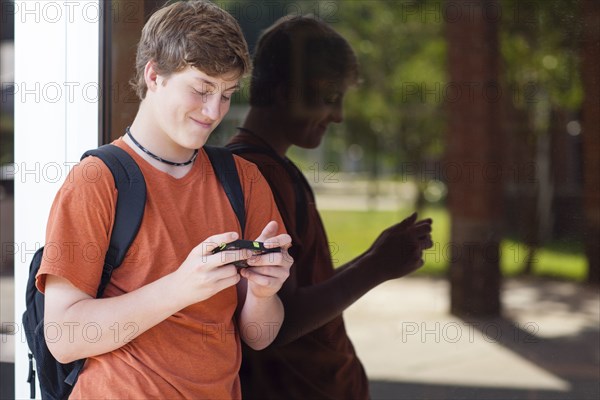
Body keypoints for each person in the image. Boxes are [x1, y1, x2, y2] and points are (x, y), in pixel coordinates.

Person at [36, 1, 292, 398]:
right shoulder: (97, 180)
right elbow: (65, 336)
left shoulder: (243, 180)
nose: (214, 111)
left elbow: (260, 336)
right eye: (202, 89)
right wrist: (181, 287)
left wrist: (263, 293)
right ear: (154, 75)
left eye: (226, 94)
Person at [227, 15, 434, 399]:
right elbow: (275, 324)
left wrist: (376, 256)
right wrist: (376, 267)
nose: (337, 116)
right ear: (287, 92)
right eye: (330, 99)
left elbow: (300, 290)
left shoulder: (273, 168)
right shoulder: (258, 175)